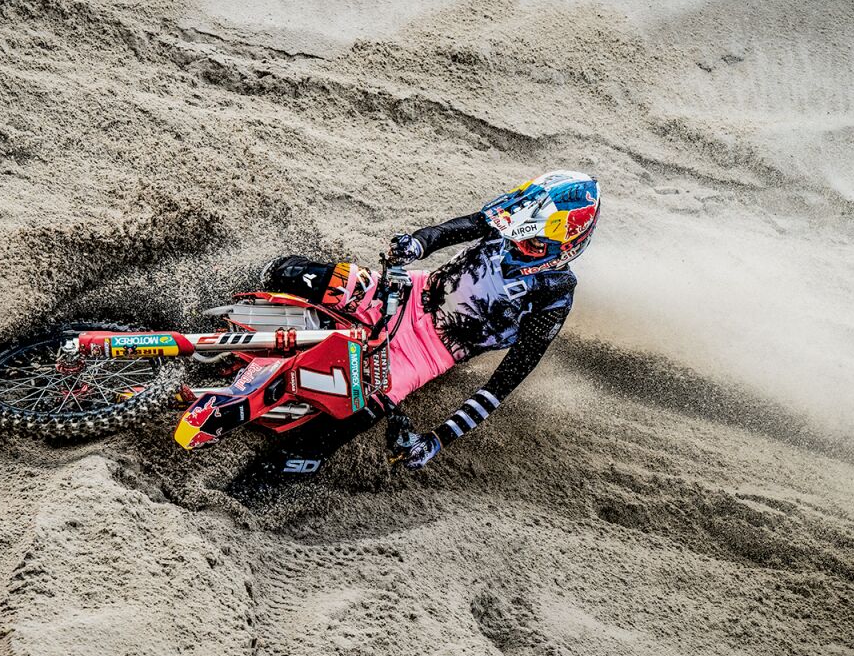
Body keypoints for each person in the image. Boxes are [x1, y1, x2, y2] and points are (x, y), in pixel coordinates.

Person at [238, 170, 600, 484]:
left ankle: (248, 493)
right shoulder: (511, 221)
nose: (517, 242)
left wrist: (438, 440)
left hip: (426, 356)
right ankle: (230, 295)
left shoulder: (555, 297)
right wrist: (416, 245)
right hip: (408, 293)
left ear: (567, 246)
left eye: (532, 243)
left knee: (338, 425)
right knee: (296, 273)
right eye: (516, 233)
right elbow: (452, 230)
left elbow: (501, 385)